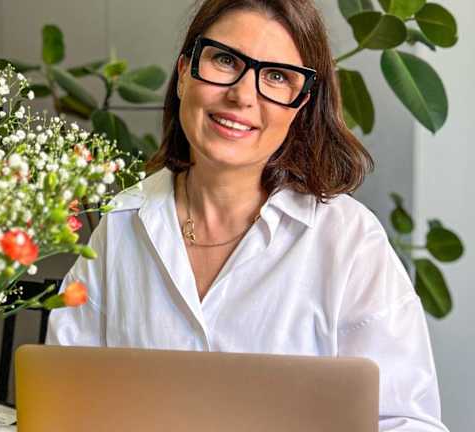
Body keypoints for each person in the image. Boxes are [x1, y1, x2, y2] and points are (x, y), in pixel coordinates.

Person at [46, 0, 447, 430]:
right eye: (225, 60)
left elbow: (409, 422)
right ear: (184, 72)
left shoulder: (350, 241)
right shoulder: (122, 222)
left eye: (277, 76)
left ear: (301, 104)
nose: (242, 95)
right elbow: (62, 400)